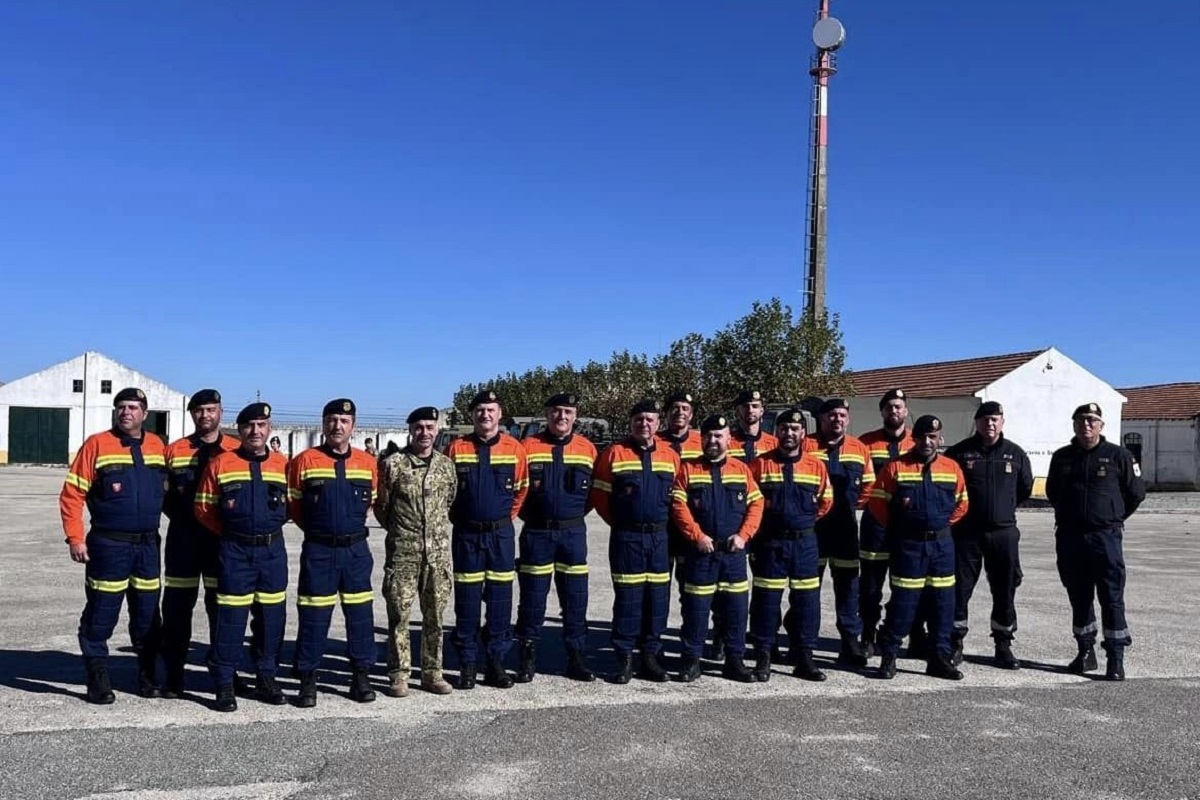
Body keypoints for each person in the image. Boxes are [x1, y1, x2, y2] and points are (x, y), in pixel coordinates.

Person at [59, 387, 168, 704]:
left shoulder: (158, 446)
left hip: (148, 546)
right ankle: (98, 679)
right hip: (109, 545)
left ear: (144, 414)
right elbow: (72, 495)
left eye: (133, 407)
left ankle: (148, 676)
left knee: (148, 615)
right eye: (121, 407)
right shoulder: (97, 445)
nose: (126, 412)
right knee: (101, 614)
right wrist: (75, 537)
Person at [194, 402, 290, 711]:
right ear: (241, 429)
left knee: (271, 619)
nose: (255, 431)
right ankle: (224, 683)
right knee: (230, 620)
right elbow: (204, 509)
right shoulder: (221, 463)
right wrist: (232, 534)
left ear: (269, 429)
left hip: (272, 552)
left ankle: (266, 678)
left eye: (261, 425)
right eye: (249, 425)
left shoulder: (283, 465)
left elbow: (295, 506)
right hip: (235, 551)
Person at [287, 399, 380, 707]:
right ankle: (308, 679)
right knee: (313, 615)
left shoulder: (368, 463)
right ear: (323, 423)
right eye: (332, 420)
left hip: (356, 551)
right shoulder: (304, 461)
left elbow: (372, 502)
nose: (337, 425)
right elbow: (295, 506)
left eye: (343, 420)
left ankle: (361, 676)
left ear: (353, 426)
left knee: (360, 617)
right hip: (320, 551)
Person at [1046, 402, 1145, 681]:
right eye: (1080, 420)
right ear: (1074, 424)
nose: (1086, 424)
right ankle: (1085, 652)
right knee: (1079, 596)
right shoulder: (1062, 457)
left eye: (1091, 419)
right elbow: (1053, 491)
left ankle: (1115, 658)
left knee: (1111, 597)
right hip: (1070, 536)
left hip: (1105, 537)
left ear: (1102, 425)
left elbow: (1136, 493)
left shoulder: (1119, 456)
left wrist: (1111, 516)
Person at [869, 414, 969, 681]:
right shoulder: (895, 467)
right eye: (922, 436)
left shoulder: (952, 468)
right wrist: (901, 528)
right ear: (914, 438)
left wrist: (939, 525)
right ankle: (889, 655)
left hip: (942, 546)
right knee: (903, 603)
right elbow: (878, 505)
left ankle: (938, 658)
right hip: (909, 546)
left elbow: (962, 504)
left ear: (940, 439)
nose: (927, 441)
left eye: (933, 437)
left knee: (942, 605)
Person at [590, 399, 682, 684]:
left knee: (657, 599)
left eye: (650, 419)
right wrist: (620, 523)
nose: (645, 424)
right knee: (628, 599)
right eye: (639, 419)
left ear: (658, 423)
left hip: (659, 537)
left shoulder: (670, 455)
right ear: (631, 422)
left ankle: (650, 656)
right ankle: (625, 657)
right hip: (627, 536)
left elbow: (677, 497)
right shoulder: (614, 453)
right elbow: (601, 498)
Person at [670, 414, 764, 683]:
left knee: (735, 611)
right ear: (701, 439)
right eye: (708, 436)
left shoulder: (741, 470)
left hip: (733, 555)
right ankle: (691, 660)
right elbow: (679, 507)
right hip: (701, 554)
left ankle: (734, 661)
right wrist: (696, 536)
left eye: (719, 436)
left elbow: (756, 505)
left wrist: (744, 536)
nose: (713, 440)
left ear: (729, 440)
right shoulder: (688, 470)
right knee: (695, 610)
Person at [445, 390, 529, 689]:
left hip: (500, 536)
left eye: (491, 410)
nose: (485, 415)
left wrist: (504, 518)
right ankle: (467, 664)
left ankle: (496, 663)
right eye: (480, 410)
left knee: (500, 601)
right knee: (466, 602)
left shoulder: (514, 448)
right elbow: (447, 492)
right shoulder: (457, 448)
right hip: (466, 535)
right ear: (473, 415)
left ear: (499, 413)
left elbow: (521, 490)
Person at [514, 392, 598, 683]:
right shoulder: (527, 446)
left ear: (575, 416)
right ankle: (527, 658)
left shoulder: (588, 449)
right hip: (537, 532)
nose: (562, 416)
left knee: (576, 599)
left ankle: (576, 658)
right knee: (532, 599)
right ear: (546, 414)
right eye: (556, 411)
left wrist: (570, 517)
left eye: (568, 411)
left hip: (573, 534)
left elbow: (593, 496)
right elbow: (518, 491)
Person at [160, 388, 239, 698]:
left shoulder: (235, 448)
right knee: (177, 609)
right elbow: (163, 495)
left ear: (220, 411)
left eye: (211, 409)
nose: (205, 415)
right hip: (183, 540)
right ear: (192, 414)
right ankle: (174, 675)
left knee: (223, 610)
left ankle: (226, 673)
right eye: (199, 410)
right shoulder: (175, 450)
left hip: (221, 542)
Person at [374, 406, 457, 697]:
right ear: (410, 430)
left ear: (437, 430)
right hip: (403, 555)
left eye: (430, 427)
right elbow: (382, 508)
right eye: (419, 427)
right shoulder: (393, 464)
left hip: (437, 556)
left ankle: (433, 673)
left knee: (435, 617)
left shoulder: (446, 466)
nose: (424, 432)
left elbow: (449, 502)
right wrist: (404, 534)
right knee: (399, 615)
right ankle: (399, 674)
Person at [944, 401, 1033, 670]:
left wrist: (1001, 510)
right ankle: (955, 642)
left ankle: (1003, 645)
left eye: (995, 419)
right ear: (977, 422)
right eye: (985, 420)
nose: (990, 424)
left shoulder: (1015, 454)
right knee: (959, 590)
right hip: (966, 534)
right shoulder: (959, 453)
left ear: (1002, 422)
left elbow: (1024, 489)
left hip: (1003, 534)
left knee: (1005, 589)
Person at [748, 408, 833, 682]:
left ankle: (804, 656)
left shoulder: (816, 465)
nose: (789, 433)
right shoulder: (760, 464)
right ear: (777, 433)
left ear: (802, 434)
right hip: (770, 542)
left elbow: (825, 501)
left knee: (807, 601)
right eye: (784, 428)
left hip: (805, 543)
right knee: (766, 601)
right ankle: (763, 654)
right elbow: (749, 502)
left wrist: (801, 522)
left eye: (795, 429)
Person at [804, 398, 874, 668]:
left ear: (848, 418)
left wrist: (851, 506)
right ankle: (804, 640)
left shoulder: (859, 449)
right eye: (831, 415)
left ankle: (849, 642)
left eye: (842, 415)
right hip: (813, 531)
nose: (837, 420)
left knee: (848, 589)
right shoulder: (805, 445)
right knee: (809, 589)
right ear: (821, 419)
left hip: (845, 530)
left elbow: (867, 486)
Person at [856, 388, 914, 656]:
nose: (894, 411)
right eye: (889, 407)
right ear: (882, 412)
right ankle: (867, 634)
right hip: (875, 525)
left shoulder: (918, 443)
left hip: (908, 527)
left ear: (905, 410)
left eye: (899, 407)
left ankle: (901, 633)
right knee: (870, 586)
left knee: (906, 585)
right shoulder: (865, 443)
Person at [729, 389, 778, 464]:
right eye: (746, 406)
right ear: (738, 411)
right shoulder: (726, 442)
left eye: (755, 406)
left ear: (761, 411)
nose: (750, 410)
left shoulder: (774, 444)